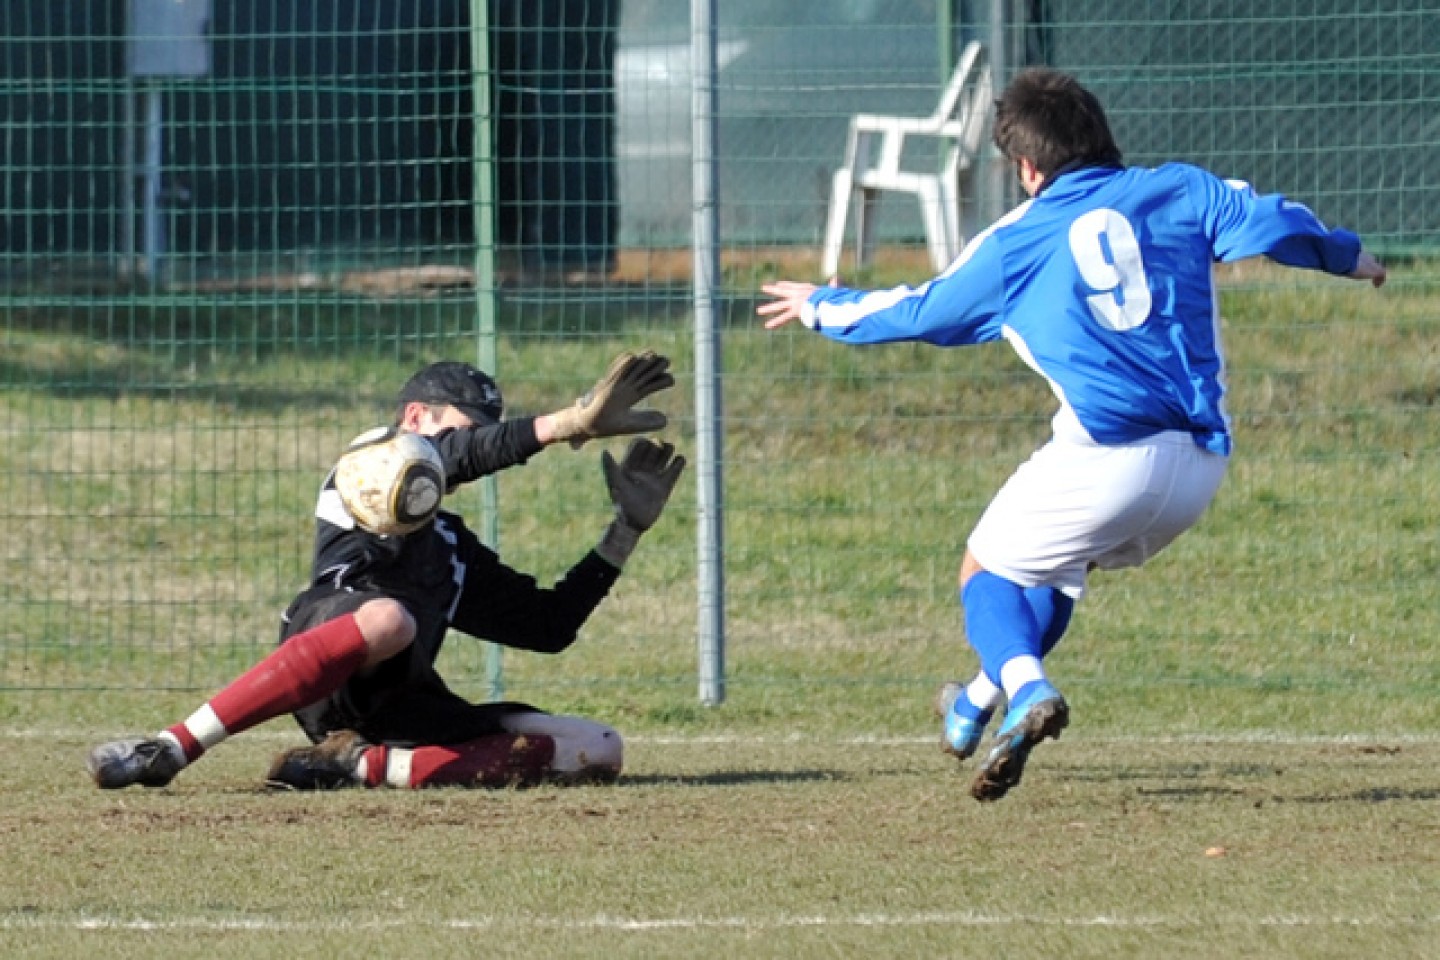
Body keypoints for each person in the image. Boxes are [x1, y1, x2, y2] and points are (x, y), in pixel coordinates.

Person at [758, 68, 1387, 802]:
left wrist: (819, 306)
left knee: (984, 573)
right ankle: (970, 708)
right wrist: (1350, 256)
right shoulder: (1181, 188)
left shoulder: (1016, 242)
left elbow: (920, 311)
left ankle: (1025, 691)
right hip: (1200, 468)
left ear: (1027, 167)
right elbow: (1277, 220)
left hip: (1110, 461)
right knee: (1054, 571)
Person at [88, 351, 686, 790]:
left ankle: (354, 767)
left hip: (401, 706)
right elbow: (448, 458)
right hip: (328, 656)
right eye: (464, 428)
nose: (477, 447)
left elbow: (548, 626)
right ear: (415, 416)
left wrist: (626, 530)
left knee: (597, 748)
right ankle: (169, 747)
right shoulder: (370, 457)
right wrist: (569, 423)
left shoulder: (450, 546)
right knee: (389, 619)